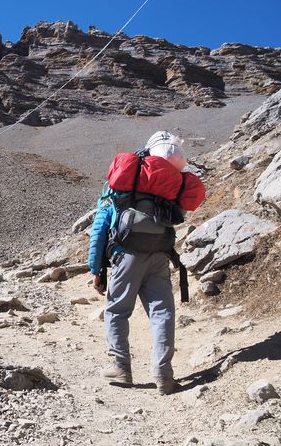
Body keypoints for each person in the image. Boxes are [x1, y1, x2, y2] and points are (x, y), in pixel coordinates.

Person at [87, 131, 188, 395]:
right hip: (160, 254)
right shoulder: (167, 186)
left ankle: (122, 368)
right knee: (162, 312)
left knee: (118, 311)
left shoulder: (120, 185)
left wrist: (96, 268)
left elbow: (99, 227)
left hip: (127, 255)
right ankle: (164, 375)